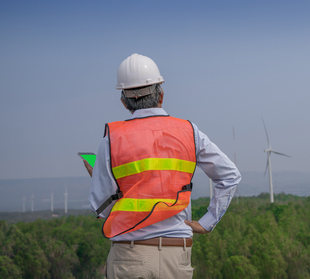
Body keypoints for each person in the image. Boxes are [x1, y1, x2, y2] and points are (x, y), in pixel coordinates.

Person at [83, 53, 241, 279]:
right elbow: (230, 176)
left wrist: (101, 178)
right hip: (176, 257)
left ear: (124, 102)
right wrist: (208, 222)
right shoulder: (189, 132)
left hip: (129, 257)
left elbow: (101, 207)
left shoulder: (111, 139)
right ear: (161, 96)